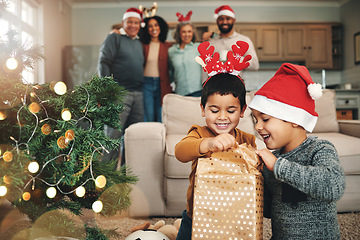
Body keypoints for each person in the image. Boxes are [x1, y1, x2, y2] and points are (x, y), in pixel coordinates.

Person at [248, 63, 346, 239]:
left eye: (265, 118)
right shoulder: (272, 160)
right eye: (255, 119)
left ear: (294, 119)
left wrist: (278, 166)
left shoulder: (320, 149)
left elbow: (334, 186)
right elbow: (269, 210)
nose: (257, 126)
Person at [174, 41, 256, 240]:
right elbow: (180, 152)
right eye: (214, 110)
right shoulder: (200, 133)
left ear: (243, 111)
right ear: (203, 110)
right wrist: (207, 145)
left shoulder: (247, 140)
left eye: (231, 110)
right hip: (196, 215)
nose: (222, 117)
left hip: (234, 216)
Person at [98, 7, 144, 163]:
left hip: (139, 95)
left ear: (140, 24)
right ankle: (105, 178)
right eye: (129, 22)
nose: (133, 25)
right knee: (112, 138)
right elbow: (103, 62)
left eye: (136, 22)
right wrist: (107, 90)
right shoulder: (114, 38)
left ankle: (124, 178)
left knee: (132, 140)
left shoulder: (139, 43)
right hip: (119, 94)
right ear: (123, 23)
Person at [205, 5, 259, 75]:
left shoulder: (244, 40)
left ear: (233, 20)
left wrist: (236, 58)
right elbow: (205, 69)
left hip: (237, 85)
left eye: (228, 18)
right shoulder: (211, 43)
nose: (224, 22)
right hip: (215, 85)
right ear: (217, 21)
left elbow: (255, 65)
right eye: (221, 19)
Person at [139, 15, 172, 122]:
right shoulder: (142, 45)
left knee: (161, 116)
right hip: (146, 84)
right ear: (146, 29)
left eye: (156, 25)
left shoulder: (168, 46)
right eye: (150, 26)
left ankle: (160, 139)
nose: (153, 28)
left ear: (161, 27)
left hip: (162, 85)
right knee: (148, 116)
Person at [168, 11, 203, 97]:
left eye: (189, 31)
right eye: (184, 32)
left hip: (198, 91)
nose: (187, 34)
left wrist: (212, 34)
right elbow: (170, 73)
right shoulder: (171, 51)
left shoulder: (199, 48)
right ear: (179, 34)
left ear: (192, 33)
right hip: (180, 92)